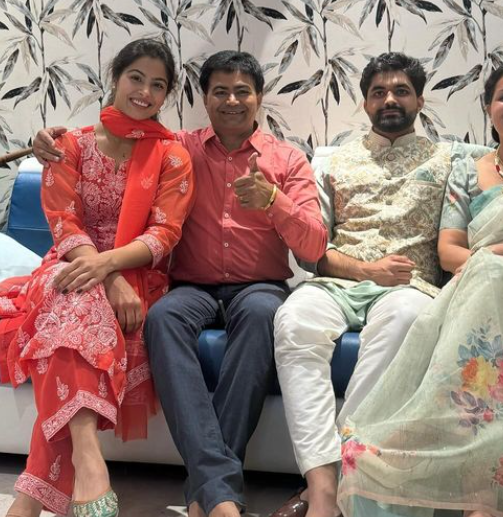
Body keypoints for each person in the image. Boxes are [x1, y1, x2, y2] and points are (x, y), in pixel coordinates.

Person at [270, 53, 503, 517]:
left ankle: (361, 461)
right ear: (365, 103)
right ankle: (323, 485)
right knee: (292, 321)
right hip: (340, 282)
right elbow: (312, 250)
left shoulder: (450, 155)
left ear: (420, 100)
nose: (390, 99)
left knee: (405, 320)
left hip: (410, 288)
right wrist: (362, 269)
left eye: (401, 91)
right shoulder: (332, 162)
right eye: (378, 92)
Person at [33, 50, 328, 517]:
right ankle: (220, 493)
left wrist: (274, 201)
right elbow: (119, 143)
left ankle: (211, 492)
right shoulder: (177, 147)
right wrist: (48, 138)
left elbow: (314, 247)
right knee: (163, 319)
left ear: (260, 98)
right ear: (204, 99)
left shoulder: (287, 159)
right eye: (220, 92)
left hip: (260, 285)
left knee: (262, 317)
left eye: (242, 91)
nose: (232, 101)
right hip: (191, 286)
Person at [0, 39, 194, 517]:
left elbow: (165, 232)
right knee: (73, 291)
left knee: (74, 302)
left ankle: (28, 503)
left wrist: (110, 268)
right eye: (136, 78)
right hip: (67, 262)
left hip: (137, 273)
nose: (145, 92)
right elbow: (63, 222)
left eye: (158, 85)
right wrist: (102, 274)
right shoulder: (68, 146)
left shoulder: (171, 156)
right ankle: (89, 461)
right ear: (115, 76)